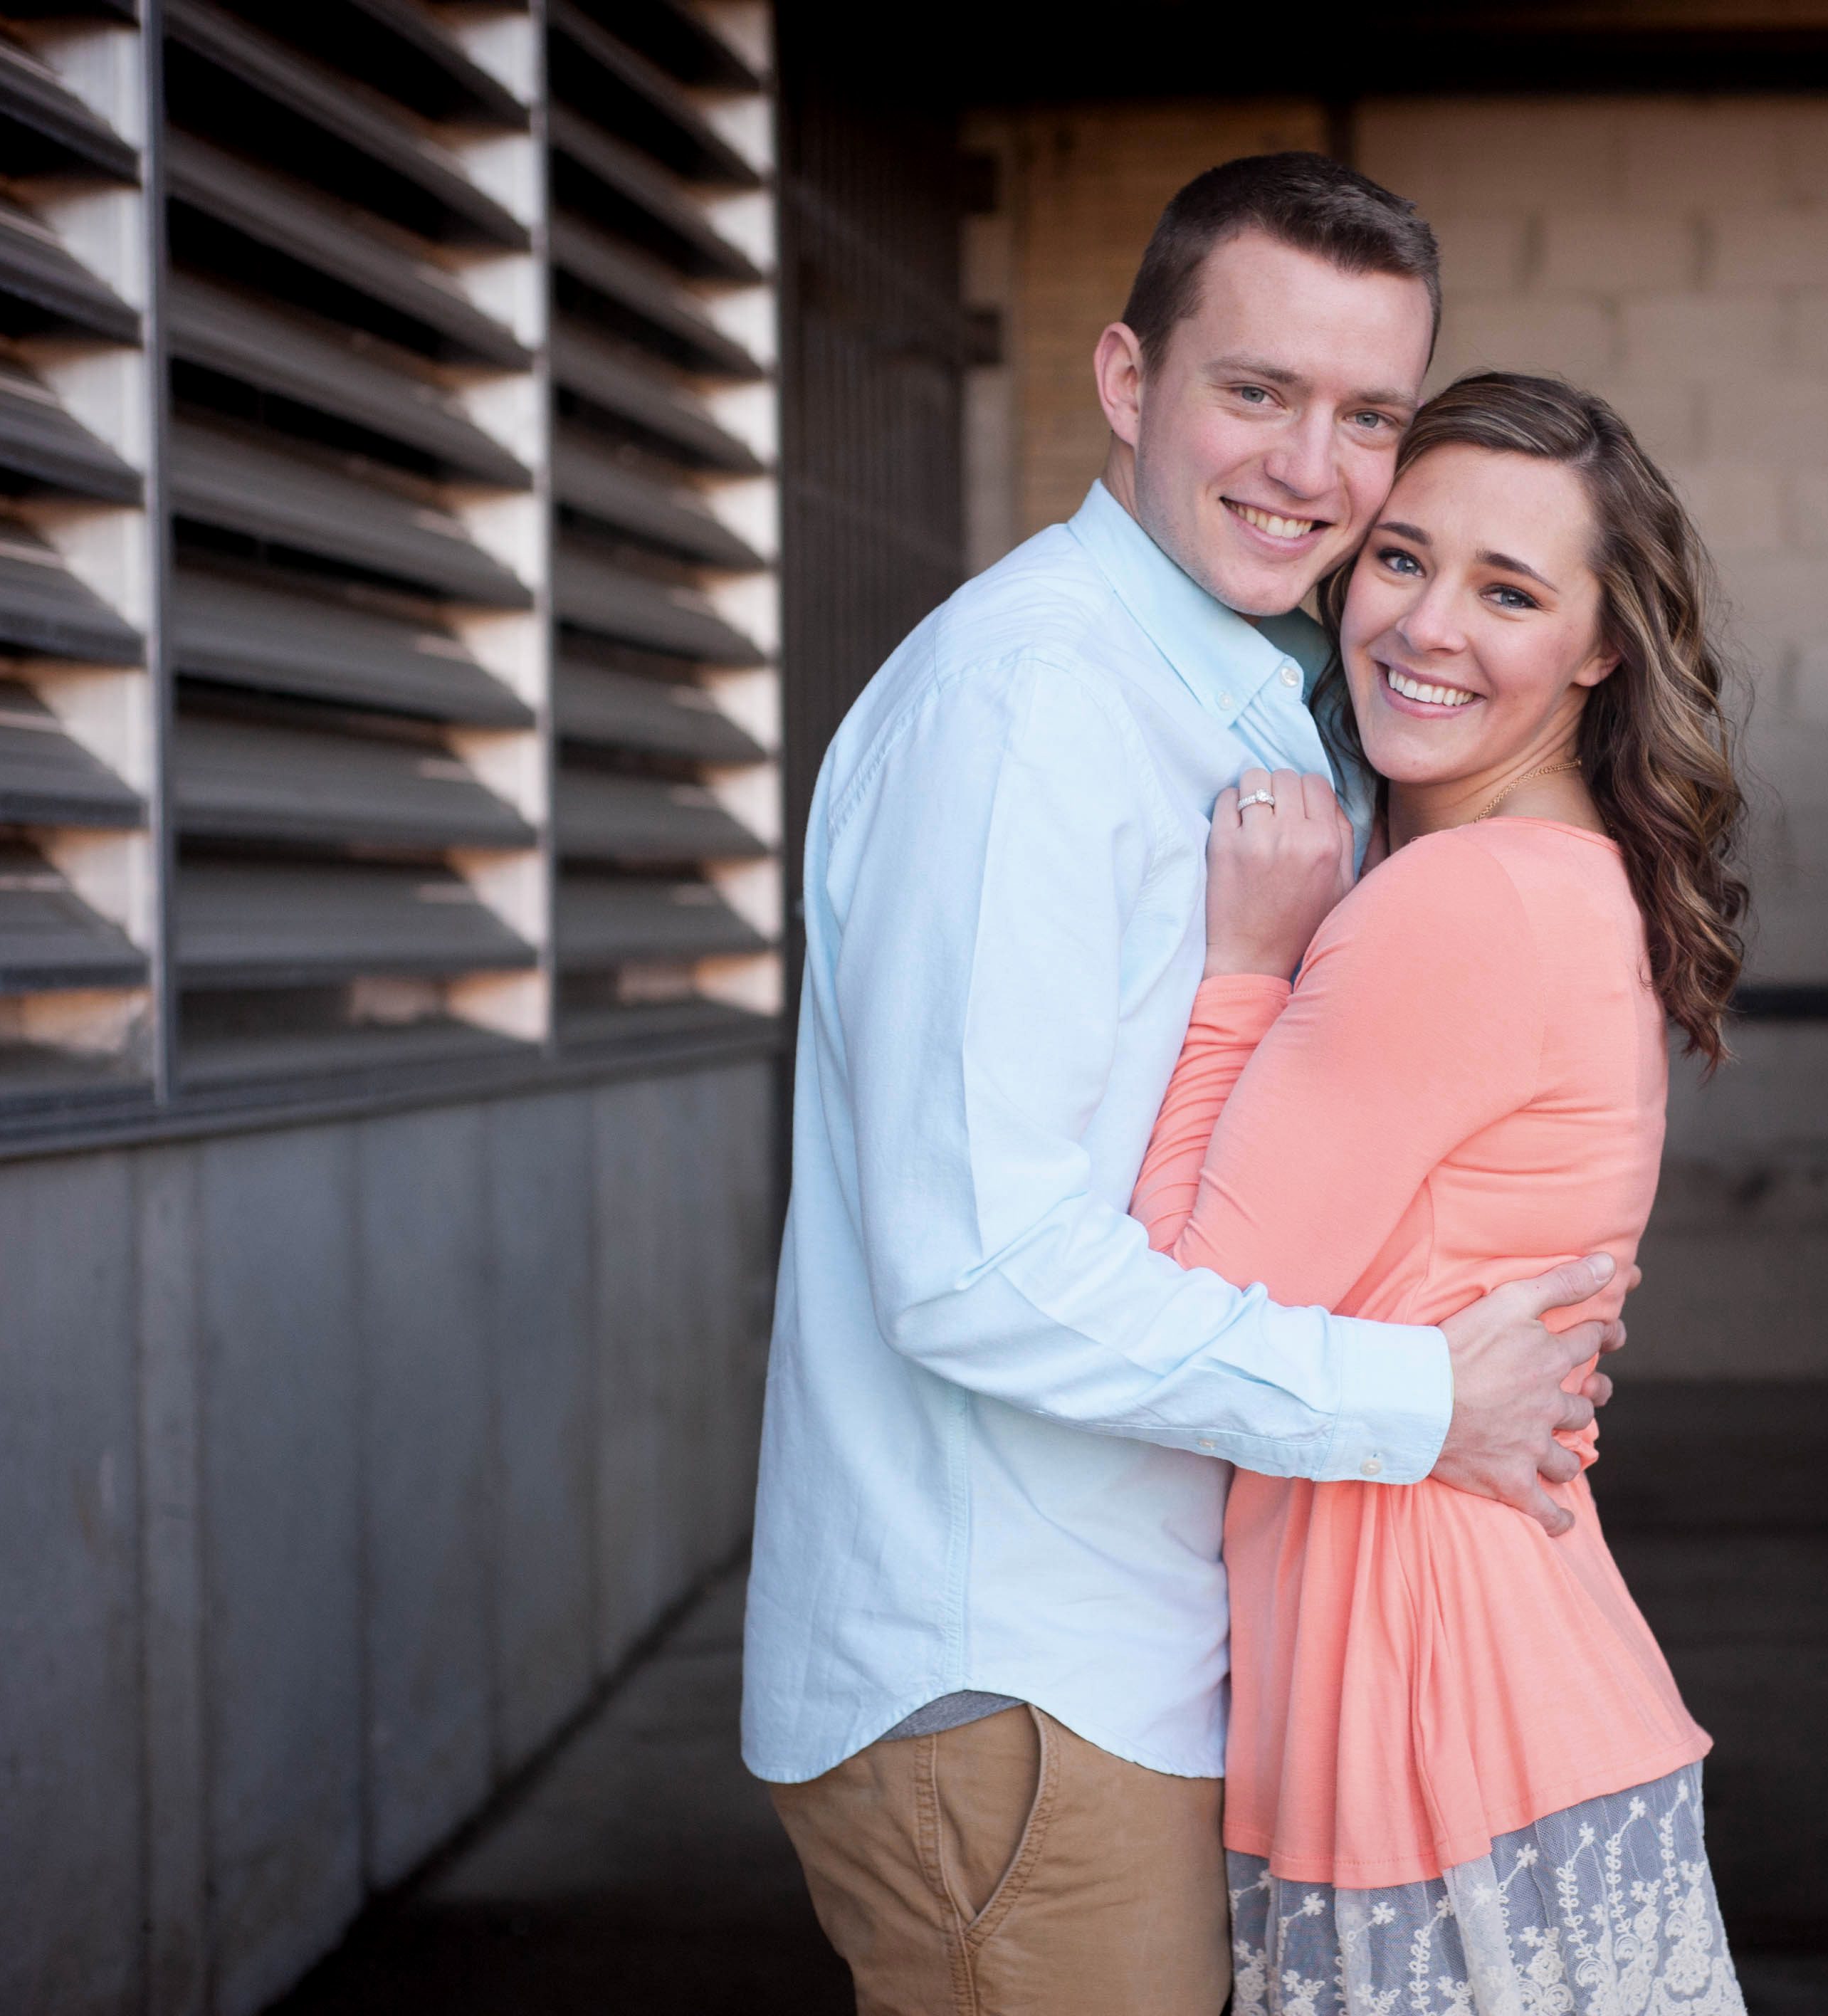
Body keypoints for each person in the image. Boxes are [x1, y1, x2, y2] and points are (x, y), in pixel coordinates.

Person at [745, 158, 1637, 2014]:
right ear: (1130, 383)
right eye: (1256, 392)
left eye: (1367, 414)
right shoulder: (1027, 715)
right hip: (1015, 1687)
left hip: (1136, 1661)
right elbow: (976, 1265)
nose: (1312, 466)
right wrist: (1415, 1396)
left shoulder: (1249, 691)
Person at [1130, 372, 1752, 2012]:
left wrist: (1243, 972)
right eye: (1401, 560)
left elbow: (1179, 1294)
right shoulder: (1556, 879)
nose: (1427, 627)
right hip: (1491, 1685)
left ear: (1600, 647)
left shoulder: (1457, 904)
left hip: (1427, 1712)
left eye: (1510, 591)